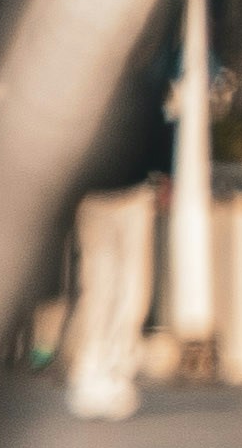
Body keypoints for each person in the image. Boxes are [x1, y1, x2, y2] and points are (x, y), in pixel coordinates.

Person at [60, 56, 172, 421]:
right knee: (128, 283)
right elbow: (161, 130)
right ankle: (112, 367)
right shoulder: (144, 80)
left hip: (95, 192)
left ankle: (93, 367)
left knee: (100, 282)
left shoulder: (81, 81)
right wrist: (165, 175)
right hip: (132, 191)